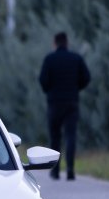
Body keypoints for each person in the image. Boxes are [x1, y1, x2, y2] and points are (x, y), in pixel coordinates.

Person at [38, 31, 91, 180]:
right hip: (71, 103)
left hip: (54, 103)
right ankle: (70, 170)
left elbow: (43, 81)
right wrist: (75, 88)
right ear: (67, 43)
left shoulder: (49, 59)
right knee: (70, 136)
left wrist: (50, 90)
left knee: (55, 137)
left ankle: (55, 171)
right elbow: (87, 78)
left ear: (54, 43)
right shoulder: (76, 58)